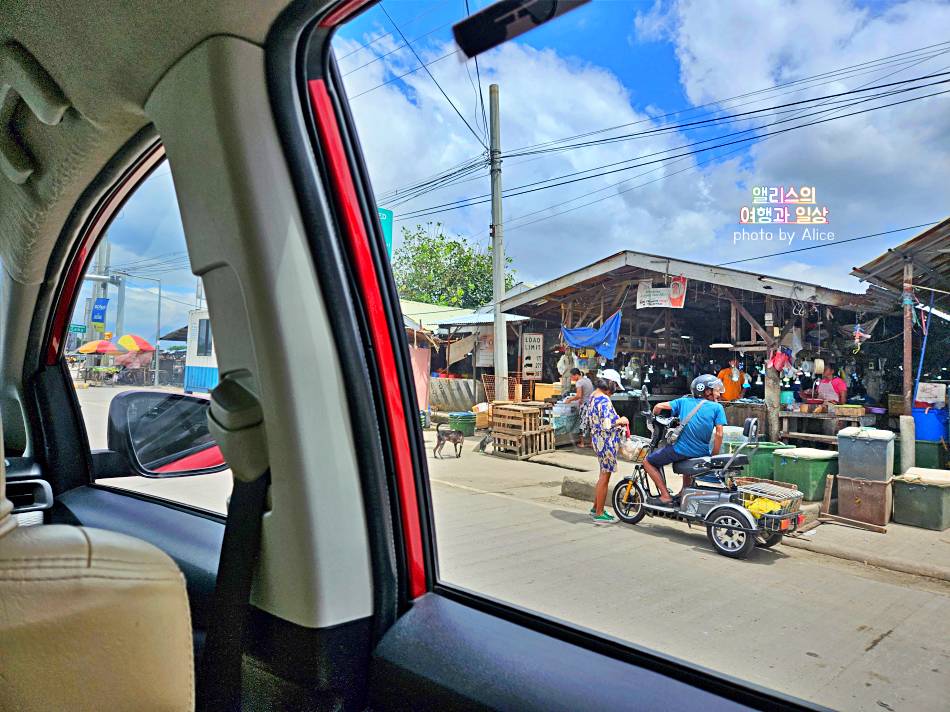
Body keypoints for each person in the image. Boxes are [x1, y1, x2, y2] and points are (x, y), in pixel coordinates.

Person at [641, 374, 728, 506]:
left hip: (680, 450)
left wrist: (655, 416)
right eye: (716, 390)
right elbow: (719, 434)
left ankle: (665, 496)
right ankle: (683, 493)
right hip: (702, 453)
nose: (719, 394)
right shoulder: (718, 408)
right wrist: (713, 456)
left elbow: (659, 406)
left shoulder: (684, 402)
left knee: (647, 462)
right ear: (706, 391)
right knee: (686, 463)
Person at [583, 369, 629, 523]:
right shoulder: (603, 400)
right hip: (606, 442)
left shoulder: (593, 396)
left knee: (602, 475)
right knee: (604, 477)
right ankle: (600, 513)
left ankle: (595, 507)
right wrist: (622, 420)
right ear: (611, 384)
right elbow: (607, 423)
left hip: (598, 440)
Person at [563, 368, 594, 447]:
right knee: (591, 423)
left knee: (583, 423)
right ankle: (591, 442)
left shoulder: (579, 383)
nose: (571, 378)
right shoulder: (588, 380)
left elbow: (579, 395)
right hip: (591, 404)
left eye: (572, 376)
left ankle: (582, 443)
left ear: (576, 375)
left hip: (585, 405)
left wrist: (569, 399)